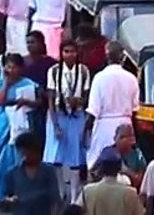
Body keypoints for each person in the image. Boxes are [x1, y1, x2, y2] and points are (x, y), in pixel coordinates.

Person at [0, 53, 40, 209]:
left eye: (13, 66)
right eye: (8, 66)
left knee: (18, 157)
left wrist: (27, 102)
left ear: (20, 68)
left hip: (21, 124)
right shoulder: (1, 82)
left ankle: (18, 194)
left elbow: (38, 102)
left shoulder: (29, 84)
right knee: (2, 155)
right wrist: (7, 84)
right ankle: (1, 194)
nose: (10, 69)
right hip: (5, 122)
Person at [45, 39, 92, 203]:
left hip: (77, 115)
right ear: (61, 53)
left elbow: (86, 97)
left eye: (72, 51)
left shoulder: (84, 71)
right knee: (56, 156)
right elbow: (50, 98)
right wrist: (55, 124)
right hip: (59, 114)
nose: (70, 55)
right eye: (66, 51)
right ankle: (60, 190)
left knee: (76, 156)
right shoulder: (54, 71)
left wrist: (78, 102)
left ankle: (74, 195)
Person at [85, 43, 138, 168]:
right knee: (126, 163)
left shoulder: (99, 78)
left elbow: (93, 110)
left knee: (99, 163)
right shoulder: (131, 78)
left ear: (106, 56)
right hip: (126, 125)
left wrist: (84, 132)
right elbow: (135, 109)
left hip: (104, 126)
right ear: (123, 57)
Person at [4, 131, 61, 215]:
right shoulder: (11, 173)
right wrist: (10, 200)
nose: (24, 156)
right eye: (22, 153)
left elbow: (55, 199)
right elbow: (6, 198)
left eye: (28, 153)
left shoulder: (48, 171)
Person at [83, 149, 144, 215]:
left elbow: (75, 209)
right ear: (120, 167)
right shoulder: (131, 193)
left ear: (101, 167)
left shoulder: (88, 191)